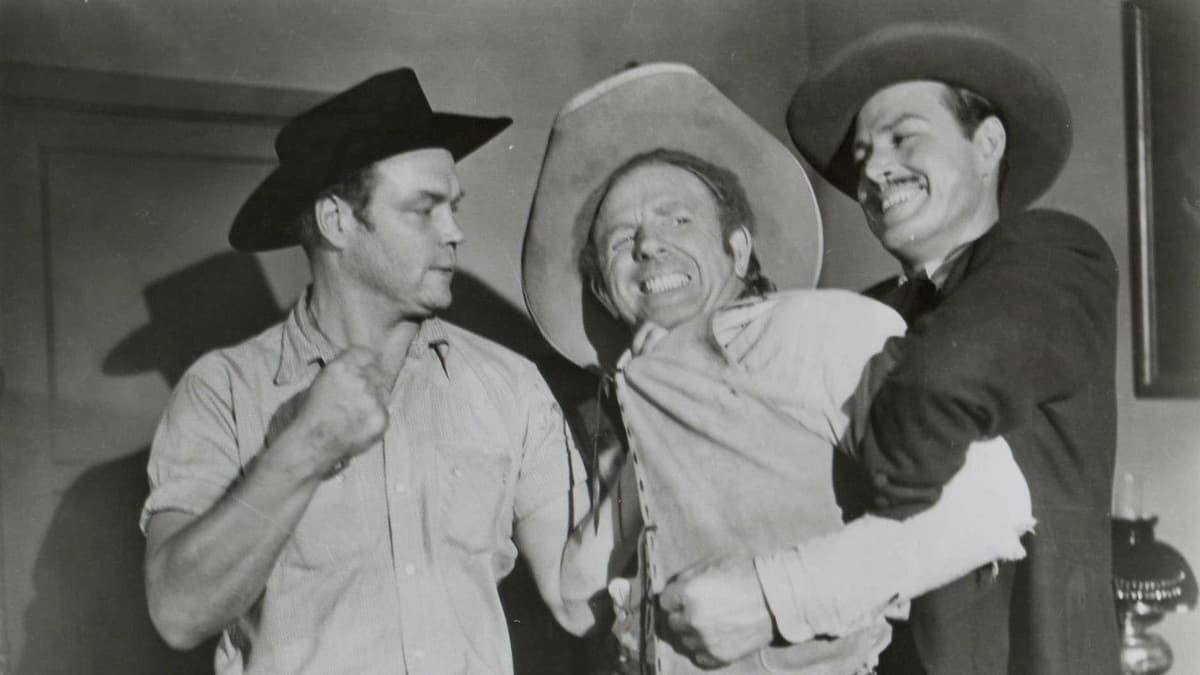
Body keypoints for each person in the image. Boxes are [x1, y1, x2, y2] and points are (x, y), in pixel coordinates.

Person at [526, 63, 1035, 675]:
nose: (648, 244)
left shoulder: (820, 329)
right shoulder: (631, 397)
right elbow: (576, 600)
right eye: (619, 239)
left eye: (677, 219)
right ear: (606, 293)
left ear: (738, 249)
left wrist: (770, 598)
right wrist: (657, 412)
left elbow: (993, 505)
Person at [665, 24, 1121, 675]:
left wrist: (864, 543)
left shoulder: (1055, 255)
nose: (872, 170)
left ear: (988, 144)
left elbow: (939, 385)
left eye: (903, 138)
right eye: (862, 154)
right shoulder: (867, 310)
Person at [141, 68, 605, 674]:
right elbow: (178, 614)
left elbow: (578, 599)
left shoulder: (511, 385)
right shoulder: (221, 392)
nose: (455, 232)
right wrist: (306, 447)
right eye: (423, 210)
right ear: (336, 221)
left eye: (453, 208)